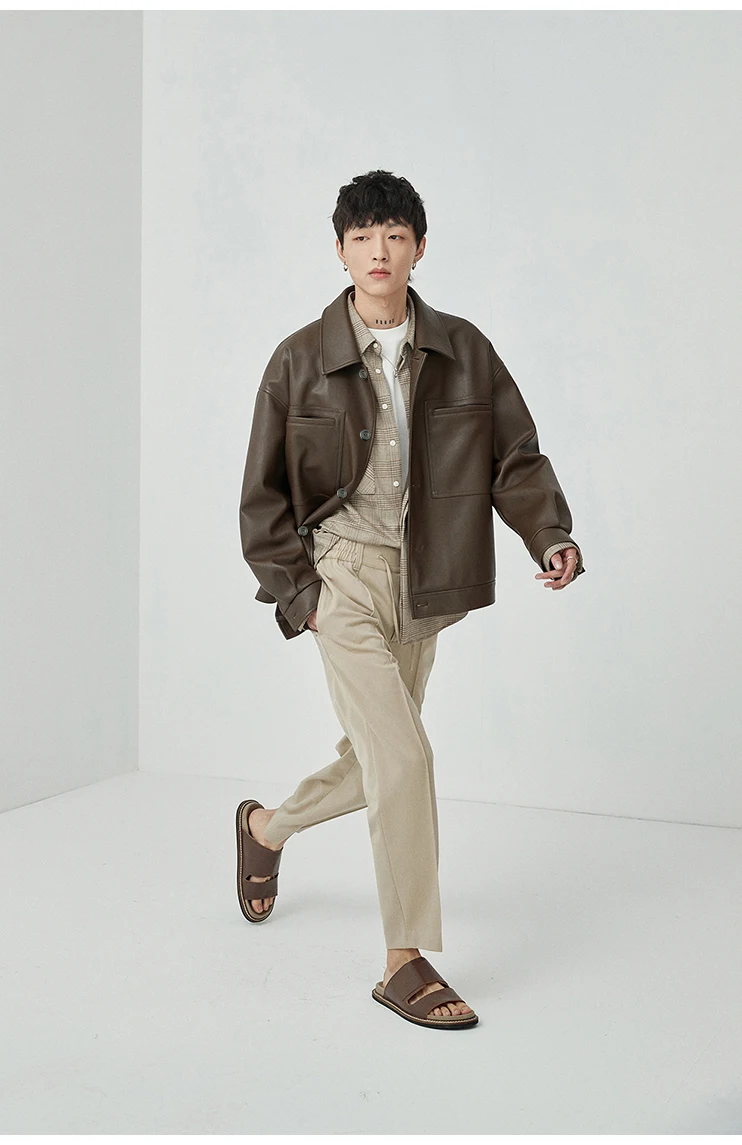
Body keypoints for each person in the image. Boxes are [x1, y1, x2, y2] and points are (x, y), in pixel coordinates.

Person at [236, 170, 585, 1030]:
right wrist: (305, 596)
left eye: (394, 235)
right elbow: (262, 498)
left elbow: (514, 454)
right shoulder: (298, 359)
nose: (379, 252)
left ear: (419, 247)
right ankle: (405, 959)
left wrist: (549, 533)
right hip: (341, 576)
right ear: (341, 251)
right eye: (362, 237)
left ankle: (266, 829)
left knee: (378, 759)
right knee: (406, 759)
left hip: (424, 578)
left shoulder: (464, 349)